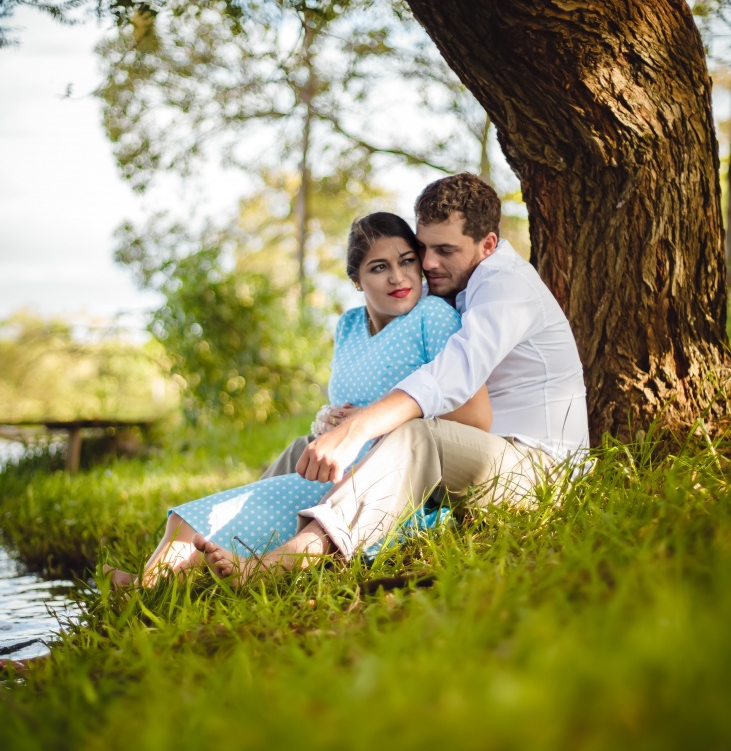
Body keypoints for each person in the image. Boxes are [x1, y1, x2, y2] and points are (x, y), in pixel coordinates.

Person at [195, 173, 589, 581]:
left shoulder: (506, 287)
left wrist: (360, 428)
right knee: (305, 448)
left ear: (487, 245)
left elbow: (451, 377)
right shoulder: (452, 284)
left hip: (539, 473)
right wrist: (337, 423)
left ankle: (301, 552)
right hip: (474, 459)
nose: (428, 263)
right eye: (423, 248)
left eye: (445, 250)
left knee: (415, 436)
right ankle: (201, 550)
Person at [106, 211, 490, 588]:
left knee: (227, 519)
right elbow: (349, 399)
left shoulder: (433, 316)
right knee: (186, 522)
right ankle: (145, 588)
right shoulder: (349, 325)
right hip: (333, 467)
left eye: (407, 261)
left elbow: (466, 413)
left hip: (389, 479)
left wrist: (371, 421)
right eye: (378, 267)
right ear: (356, 279)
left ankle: (258, 567)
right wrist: (329, 420)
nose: (398, 277)